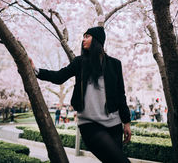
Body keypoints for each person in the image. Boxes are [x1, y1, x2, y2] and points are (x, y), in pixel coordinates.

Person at [30, 26, 131, 163]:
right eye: (83, 36)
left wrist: (127, 123)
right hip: (90, 125)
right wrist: (36, 70)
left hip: (114, 124)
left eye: (87, 36)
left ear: (97, 40)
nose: (83, 39)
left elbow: (121, 94)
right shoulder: (80, 62)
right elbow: (59, 76)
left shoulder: (115, 64)